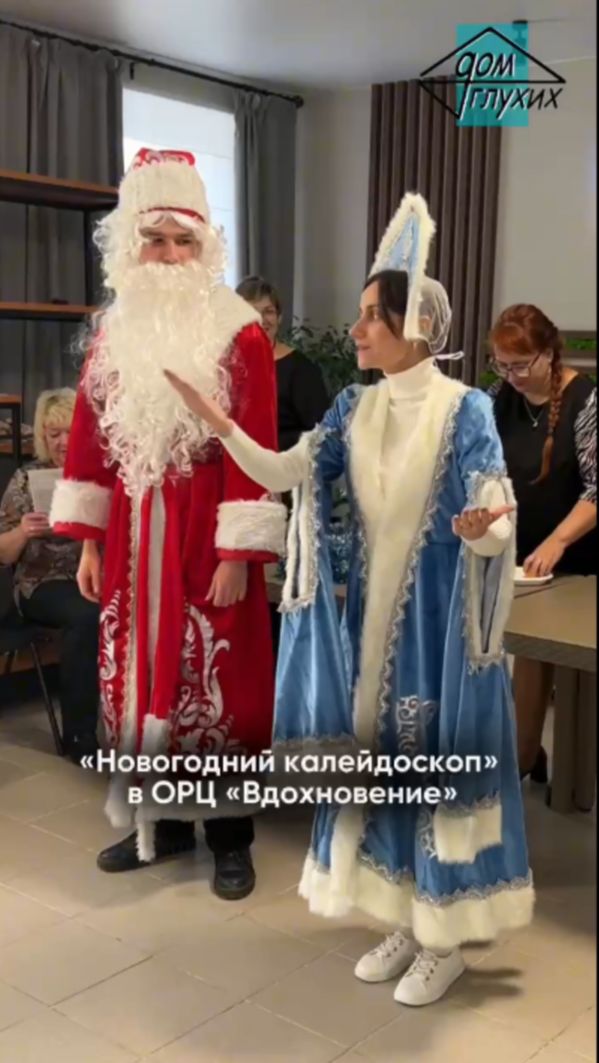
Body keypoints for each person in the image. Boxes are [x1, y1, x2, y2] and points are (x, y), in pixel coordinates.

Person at [166, 193, 533, 1007]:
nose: (356, 328)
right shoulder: (352, 408)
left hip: (438, 636)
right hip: (367, 631)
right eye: (362, 314)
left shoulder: (465, 409)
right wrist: (221, 423)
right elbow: (286, 471)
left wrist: (483, 530)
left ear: (414, 325)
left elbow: (495, 517)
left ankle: (446, 937)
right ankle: (405, 916)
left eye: (372, 315)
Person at [49, 148, 286, 900]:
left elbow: (253, 442)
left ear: (205, 245)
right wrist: (89, 542)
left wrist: (238, 548)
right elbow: (89, 437)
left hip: (205, 529)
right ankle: (163, 824)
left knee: (217, 685)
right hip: (130, 532)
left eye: (185, 240)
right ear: (132, 244)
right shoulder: (114, 331)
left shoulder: (239, 331)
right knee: (138, 679)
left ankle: (230, 837)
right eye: (155, 239)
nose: (171, 255)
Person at [488, 304, 597, 783]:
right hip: (518, 555)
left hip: (577, 557)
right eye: (501, 366)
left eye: (520, 365)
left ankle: (555, 770)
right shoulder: (498, 399)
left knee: (551, 657)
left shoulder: (586, 402)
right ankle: (524, 755)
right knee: (512, 650)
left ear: (549, 354)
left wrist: (558, 541)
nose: (511, 377)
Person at [0, 388, 100, 762]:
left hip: (95, 574)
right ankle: (80, 737)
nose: (61, 441)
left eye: (69, 432)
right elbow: (3, 553)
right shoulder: (27, 478)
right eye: (53, 433)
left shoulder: (99, 474)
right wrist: (23, 531)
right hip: (41, 583)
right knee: (88, 615)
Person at [236, 276, 329, 452]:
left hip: (281, 463)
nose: (261, 319)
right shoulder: (226, 367)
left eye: (268, 311)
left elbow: (320, 434)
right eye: (251, 312)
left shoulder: (301, 369)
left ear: (279, 317)